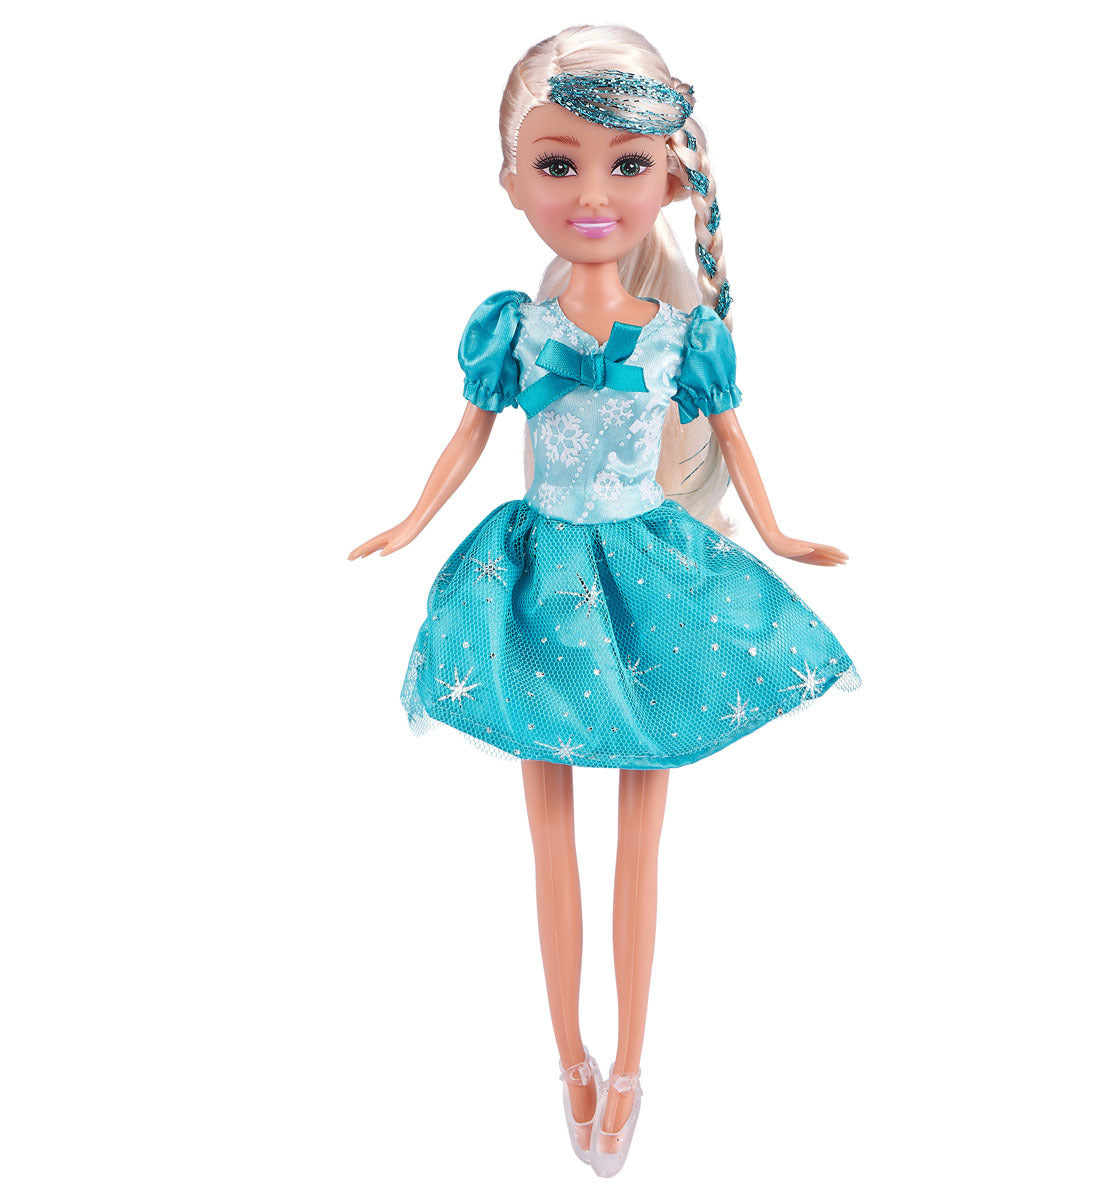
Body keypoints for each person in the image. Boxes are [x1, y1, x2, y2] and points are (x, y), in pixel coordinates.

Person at [349, 23, 860, 1176]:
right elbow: (468, 438)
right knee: (549, 838)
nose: (591, 194)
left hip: (649, 575)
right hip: (536, 578)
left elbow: (736, 444)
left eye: (626, 165)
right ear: (511, 181)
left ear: (669, 180)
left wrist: (780, 534)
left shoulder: (685, 336)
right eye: (557, 163)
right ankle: (567, 1054)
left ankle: (628, 1061)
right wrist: (410, 521)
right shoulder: (514, 327)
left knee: (640, 835)